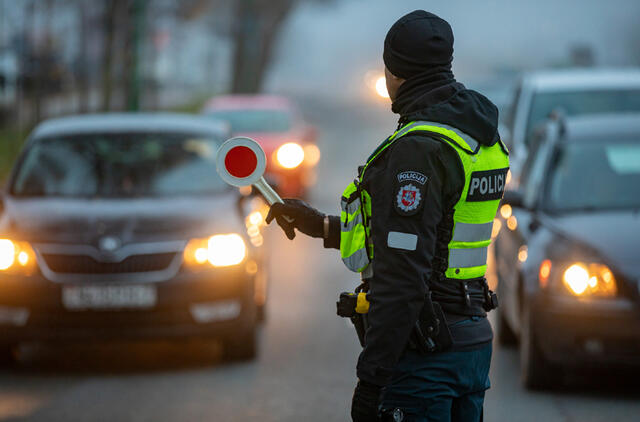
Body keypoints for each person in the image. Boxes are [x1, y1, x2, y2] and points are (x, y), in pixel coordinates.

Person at [266, 10, 509, 422]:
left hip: (427, 355)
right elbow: (437, 235)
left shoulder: (420, 148)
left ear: (395, 71)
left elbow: (404, 273)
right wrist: (320, 225)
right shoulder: (476, 134)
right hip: (471, 342)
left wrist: (372, 378)